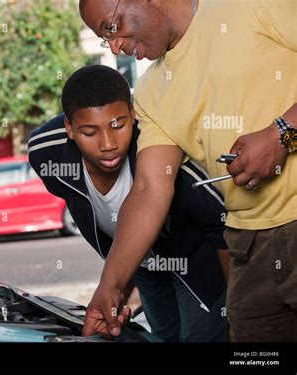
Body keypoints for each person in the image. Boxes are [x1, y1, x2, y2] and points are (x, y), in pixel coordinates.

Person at [79, 0, 297, 342]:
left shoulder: (247, 6)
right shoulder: (151, 93)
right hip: (249, 248)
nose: (116, 45)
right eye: (106, 40)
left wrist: (282, 133)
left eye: (111, 27)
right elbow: (150, 188)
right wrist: (110, 286)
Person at [28, 65, 229, 342]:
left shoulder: (162, 154)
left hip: (194, 263)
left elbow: (220, 224)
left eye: (118, 125)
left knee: (199, 336)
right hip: (140, 265)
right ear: (70, 129)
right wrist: (119, 284)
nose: (108, 143)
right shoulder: (46, 154)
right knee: (164, 335)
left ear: (133, 114)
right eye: (90, 132)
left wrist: (238, 305)